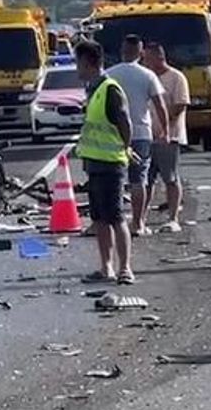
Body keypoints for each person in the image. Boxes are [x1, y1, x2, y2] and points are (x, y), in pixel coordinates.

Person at [74, 39, 137, 284]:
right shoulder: (93, 90)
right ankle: (106, 267)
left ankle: (125, 269)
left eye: (78, 63)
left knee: (116, 216)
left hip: (111, 164)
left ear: (88, 63)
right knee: (99, 218)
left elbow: (124, 122)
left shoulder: (110, 89)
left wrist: (126, 147)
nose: (77, 68)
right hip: (94, 164)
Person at [104, 34, 167, 236]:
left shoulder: (109, 75)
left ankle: (111, 222)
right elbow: (160, 106)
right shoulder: (148, 76)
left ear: (122, 51)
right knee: (138, 179)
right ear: (141, 53)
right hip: (141, 133)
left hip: (113, 134)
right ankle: (138, 223)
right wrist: (165, 130)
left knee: (114, 179)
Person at [141, 42, 189, 232]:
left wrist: (163, 125)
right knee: (146, 179)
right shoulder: (147, 78)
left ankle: (173, 217)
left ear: (159, 57)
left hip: (169, 137)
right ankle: (141, 218)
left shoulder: (176, 78)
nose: (145, 62)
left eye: (147, 58)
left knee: (170, 178)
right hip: (147, 137)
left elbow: (180, 105)